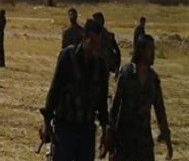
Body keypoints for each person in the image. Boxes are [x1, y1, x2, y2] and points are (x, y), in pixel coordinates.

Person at [40, 19, 109, 161]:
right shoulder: (67, 57)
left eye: (98, 43)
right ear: (85, 38)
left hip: (87, 129)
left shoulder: (100, 65)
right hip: (65, 126)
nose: (95, 47)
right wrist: (46, 122)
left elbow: (102, 101)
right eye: (93, 42)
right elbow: (54, 90)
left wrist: (105, 129)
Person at [107, 34, 173, 161]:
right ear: (141, 50)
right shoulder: (126, 73)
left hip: (144, 141)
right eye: (150, 49)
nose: (153, 53)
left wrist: (167, 140)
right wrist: (110, 132)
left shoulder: (153, 79)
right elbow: (115, 105)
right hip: (124, 139)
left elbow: (160, 111)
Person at [93, 12, 121, 76]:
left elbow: (117, 51)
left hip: (105, 66)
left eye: (97, 21)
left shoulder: (108, 36)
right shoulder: (91, 36)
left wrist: (117, 67)